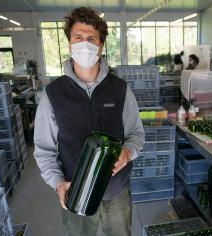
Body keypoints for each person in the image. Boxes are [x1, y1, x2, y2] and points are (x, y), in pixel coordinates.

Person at [33, 7, 145, 236]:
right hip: (75, 192)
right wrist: (58, 183)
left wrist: (127, 152)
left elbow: (136, 134)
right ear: (69, 43)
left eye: (91, 39)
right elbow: (44, 150)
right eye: (78, 38)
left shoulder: (121, 90)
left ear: (101, 46)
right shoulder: (53, 94)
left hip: (117, 191)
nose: (84, 44)